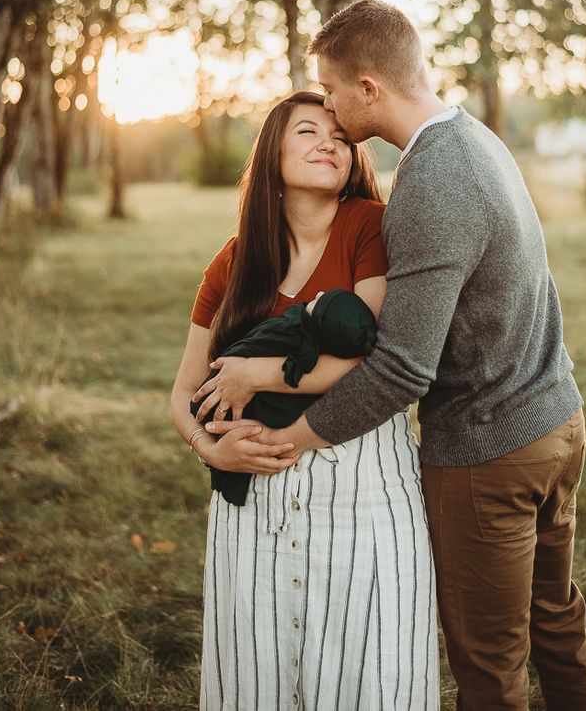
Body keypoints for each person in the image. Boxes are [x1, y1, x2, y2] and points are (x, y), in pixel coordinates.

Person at [213, 1, 586, 711]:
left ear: (369, 88)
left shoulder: (430, 182)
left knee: (490, 669)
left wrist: (293, 439)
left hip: (490, 449)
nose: (330, 109)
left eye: (331, 91)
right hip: (556, 419)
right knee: (558, 626)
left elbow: (401, 369)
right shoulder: (473, 138)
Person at [170, 90, 438, 711]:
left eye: (341, 138)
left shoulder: (370, 225)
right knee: (256, 674)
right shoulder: (234, 262)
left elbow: (368, 358)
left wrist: (253, 375)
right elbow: (184, 392)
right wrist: (210, 448)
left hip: (361, 487)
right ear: (273, 154)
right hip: (251, 500)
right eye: (308, 132)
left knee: (368, 672)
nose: (329, 144)